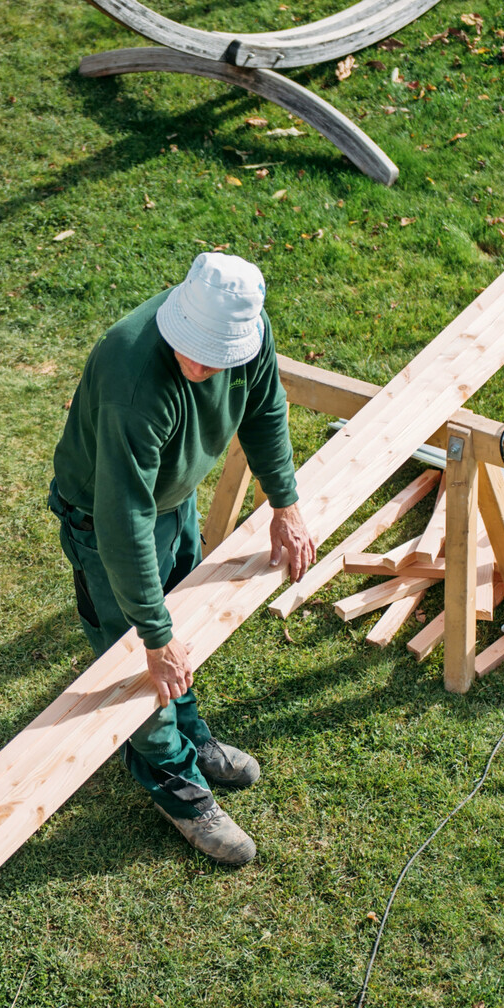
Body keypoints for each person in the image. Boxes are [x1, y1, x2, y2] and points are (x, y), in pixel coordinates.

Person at [49, 252, 315, 867]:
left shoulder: (248, 334)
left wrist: (285, 504)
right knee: (137, 658)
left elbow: (266, 407)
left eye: (215, 356)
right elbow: (123, 523)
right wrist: (153, 631)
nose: (199, 364)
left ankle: (190, 731)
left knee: (183, 628)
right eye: (190, 350)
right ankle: (175, 783)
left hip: (171, 498)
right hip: (103, 518)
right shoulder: (131, 384)